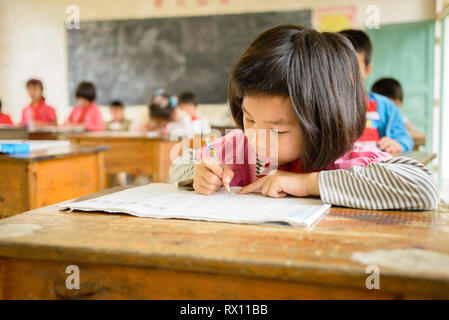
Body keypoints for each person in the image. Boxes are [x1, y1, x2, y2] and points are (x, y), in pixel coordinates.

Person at [169, 25, 439, 210]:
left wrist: (307, 183)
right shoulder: (240, 148)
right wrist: (199, 174)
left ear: (324, 122)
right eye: (249, 120)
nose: (256, 138)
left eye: (277, 131)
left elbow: (424, 188)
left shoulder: (345, 160)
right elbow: (179, 165)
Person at [339, 29, 414, 154]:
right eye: (338, 67)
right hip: (335, 173)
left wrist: (398, 144)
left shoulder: (387, 107)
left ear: (367, 70)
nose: (344, 74)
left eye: (353, 68)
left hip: (373, 172)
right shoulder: (321, 106)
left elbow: (405, 139)